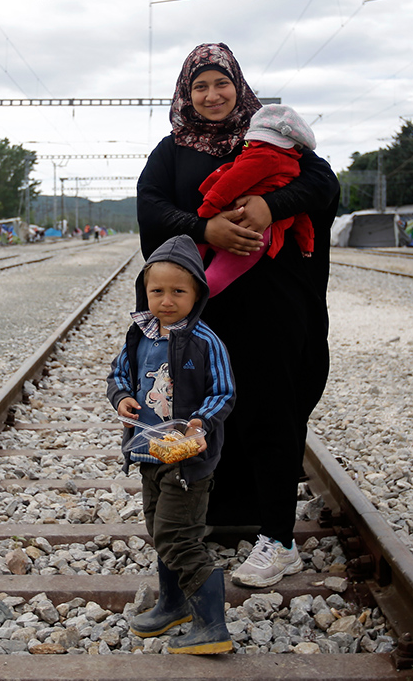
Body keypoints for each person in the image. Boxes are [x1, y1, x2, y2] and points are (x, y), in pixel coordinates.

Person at [137, 42, 339, 589]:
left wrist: (272, 207)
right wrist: (206, 229)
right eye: (199, 86)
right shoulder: (172, 150)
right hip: (204, 314)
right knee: (200, 408)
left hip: (270, 312)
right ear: (186, 93)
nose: (211, 95)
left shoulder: (270, 138)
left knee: (272, 410)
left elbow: (323, 185)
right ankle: (205, 516)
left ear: (239, 86)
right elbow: (151, 208)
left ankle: (276, 538)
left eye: (220, 84)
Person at [108, 234, 236, 654]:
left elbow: (224, 391)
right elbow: (119, 375)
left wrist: (202, 421)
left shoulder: (204, 340)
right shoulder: (139, 335)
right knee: (159, 530)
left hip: (187, 458)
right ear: (145, 293)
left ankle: (212, 625)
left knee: (178, 535)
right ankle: (173, 604)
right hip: (149, 453)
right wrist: (122, 396)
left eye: (178, 291)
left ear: (196, 293)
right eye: (157, 291)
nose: (166, 300)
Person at [196, 103, 317, 295]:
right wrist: (306, 242)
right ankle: (193, 297)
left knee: (189, 262)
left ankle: (184, 298)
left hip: (235, 222)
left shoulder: (265, 156)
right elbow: (301, 214)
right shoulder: (293, 167)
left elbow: (229, 183)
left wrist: (206, 211)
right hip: (256, 235)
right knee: (220, 274)